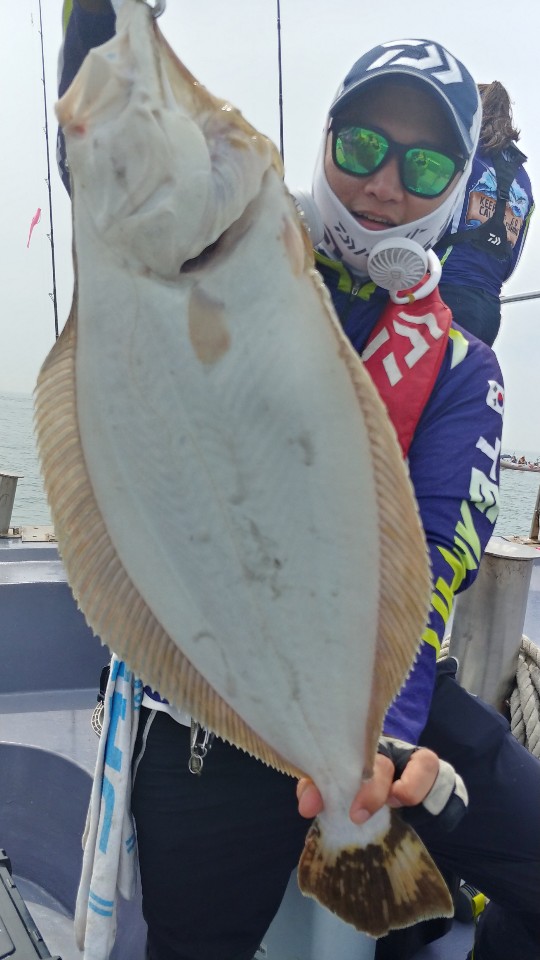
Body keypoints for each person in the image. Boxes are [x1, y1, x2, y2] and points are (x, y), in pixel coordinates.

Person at [58, 8, 540, 960]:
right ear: (324, 142)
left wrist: (374, 748)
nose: (384, 184)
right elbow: (107, 152)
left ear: (457, 188)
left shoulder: (458, 364)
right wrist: (104, 28)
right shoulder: (240, 243)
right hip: (211, 685)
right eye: (361, 146)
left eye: (424, 166)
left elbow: (432, 557)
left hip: (376, 681)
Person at [434, 81, 534, 346]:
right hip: (489, 310)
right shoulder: (524, 181)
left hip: (441, 293)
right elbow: (511, 262)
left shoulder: (463, 153)